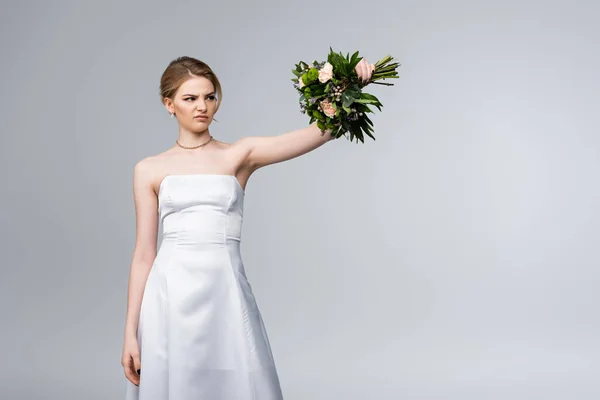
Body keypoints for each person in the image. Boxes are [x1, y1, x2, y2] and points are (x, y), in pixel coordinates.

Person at [122, 55, 375, 399]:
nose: (202, 107)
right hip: (168, 298)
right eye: (190, 98)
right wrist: (130, 333)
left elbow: (322, 132)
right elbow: (143, 254)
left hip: (225, 291)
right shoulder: (148, 169)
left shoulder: (239, 155)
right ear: (169, 104)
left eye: (210, 97)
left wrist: (352, 87)